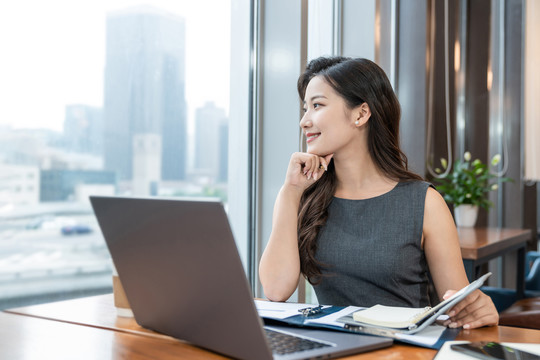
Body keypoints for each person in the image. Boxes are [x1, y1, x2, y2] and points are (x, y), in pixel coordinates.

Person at [259, 56, 498, 330]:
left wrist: (479, 310)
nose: (304, 121)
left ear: (361, 114)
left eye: (317, 106)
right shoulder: (300, 195)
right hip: (332, 347)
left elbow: (457, 307)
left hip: (404, 351)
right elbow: (276, 291)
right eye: (305, 109)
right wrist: (290, 192)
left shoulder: (424, 202)